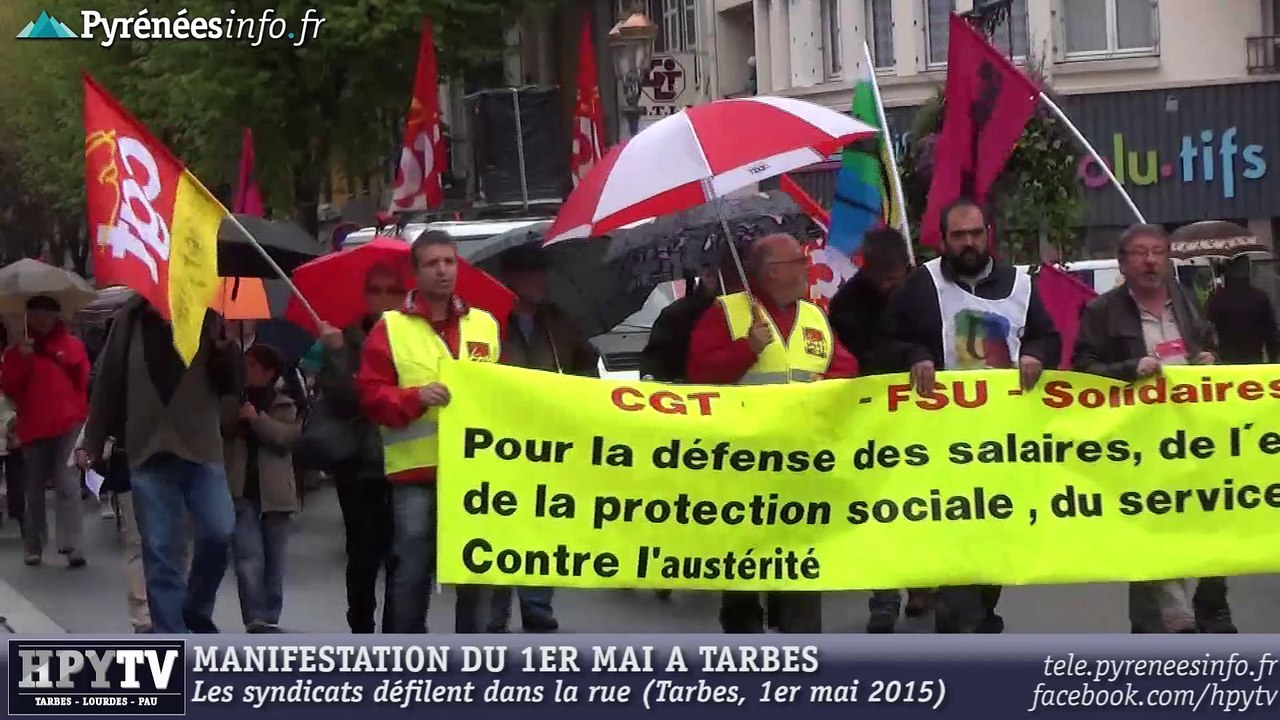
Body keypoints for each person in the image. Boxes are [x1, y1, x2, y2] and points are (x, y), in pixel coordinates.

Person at [882, 198, 1061, 634]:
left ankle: (980, 610)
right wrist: (916, 355)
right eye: (958, 235)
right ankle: (966, 622)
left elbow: (1048, 336)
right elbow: (885, 341)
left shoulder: (1021, 284)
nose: (968, 243)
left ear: (989, 234)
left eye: (975, 233)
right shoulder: (920, 286)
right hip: (944, 445)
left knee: (996, 538)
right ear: (943, 240)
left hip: (1004, 445)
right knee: (956, 537)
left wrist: (1037, 354)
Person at [687, 233, 859, 633]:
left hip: (801, 469)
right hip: (743, 470)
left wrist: (823, 388)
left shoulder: (815, 316)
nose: (807, 268)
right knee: (745, 571)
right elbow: (698, 378)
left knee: (799, 568)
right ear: (772, 273)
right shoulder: (726, 314)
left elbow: (846, 368)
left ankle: (800, 652)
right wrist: (745, 349)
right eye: (799, 261)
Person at [1072, 223, 1235, 634]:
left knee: (1206, 519)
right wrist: (1130, 370)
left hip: (1193, 436)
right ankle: (1171, 617)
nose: (1150, 261)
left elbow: (1209, 345)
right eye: (1140, 253)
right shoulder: (1100, 312)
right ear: (1123, 264)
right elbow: (1083, 372)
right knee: (1152, 525)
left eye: (1159, 252)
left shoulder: (1189, 302)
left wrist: (1208, 360)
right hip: (1138, 443)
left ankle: (1207, 602)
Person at [358, 231, 504, 633]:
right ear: (416, 273)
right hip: (416, 473)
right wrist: (416, 397)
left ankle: (475, 662)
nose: (442, 270)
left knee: (477, 568)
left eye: (449, 262)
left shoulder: (485, 325)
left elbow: (505, 393)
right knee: (411, 570)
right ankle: (408, 660)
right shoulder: (390, 328)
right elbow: (371, 397)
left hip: (475, 473)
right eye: (432, 263)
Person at [79, 297, 239, 633]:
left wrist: (226, 350)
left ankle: (195, 607)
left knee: (219, 531)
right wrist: (93, 441)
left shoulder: (207, 313)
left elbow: (234, 386)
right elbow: (108, 380)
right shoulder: (130, 320)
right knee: (160, 551)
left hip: (201, 448)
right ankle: (173, 642)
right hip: (147, 450)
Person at [487, 244, 599, 633]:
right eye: (531, 276)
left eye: (542, 275)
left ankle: (537, 604)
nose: (540, 283)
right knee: (499, 523)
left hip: (551, 440)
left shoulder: (559, 322)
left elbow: (587, 367)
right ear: (510, 281)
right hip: (499, 441)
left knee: (543, 521)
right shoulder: (489, 323)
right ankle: (495, 611)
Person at [827, 227, 932, 632]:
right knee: (880, 508)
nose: (890, 287)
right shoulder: (848, 305)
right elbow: (860, 359)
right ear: (866, 271)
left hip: (926, 413)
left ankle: (924, 582)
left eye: (896, 279)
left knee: (926, 505)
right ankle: (884, 597)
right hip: (876, 419)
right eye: (882, 280)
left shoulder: (925, 290)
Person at [315, 263, 405, 633]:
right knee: (363, 554)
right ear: (365, 296)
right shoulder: (346, 339)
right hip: (358, 464)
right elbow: (342, 400)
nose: (383, 299)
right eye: (376, 290)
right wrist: (336, 355)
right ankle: (362, 629)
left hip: (405, 460)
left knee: (404, 555)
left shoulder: (413, 339)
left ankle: (400, 631)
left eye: (392, 291)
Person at [1, 296, 90, 568]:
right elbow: (9, 388)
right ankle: (34, 544)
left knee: (68, 482)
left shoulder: (72, 345)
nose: (41, 319)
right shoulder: (17, 352)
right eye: (35, 313)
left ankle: (74, 544)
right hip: (33, 426)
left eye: (46, 313)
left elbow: (83, 380)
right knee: (34, 487)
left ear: (56, 316)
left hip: (68, 424)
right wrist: (23, 361)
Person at [223, 344, 301, 633]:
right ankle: (253, 616)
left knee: (274, 560)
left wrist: (258, 420)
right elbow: (222, 431)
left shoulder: (284, 404)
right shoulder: (232, 401)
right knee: (247, 557)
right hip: (241, 489)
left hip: (276, 492)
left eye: (253, 366)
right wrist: (237, 418)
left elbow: (286, 438)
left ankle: (270, 614)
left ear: (269, 372)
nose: (247, 371)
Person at [1205, 256, 1280, 365]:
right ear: (1248, 271)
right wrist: (1273, 359)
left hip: (1226, 358)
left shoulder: (1218, 298)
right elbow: (1270, 333)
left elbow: (1209, 330)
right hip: (1253, 357)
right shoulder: (1260, 297)